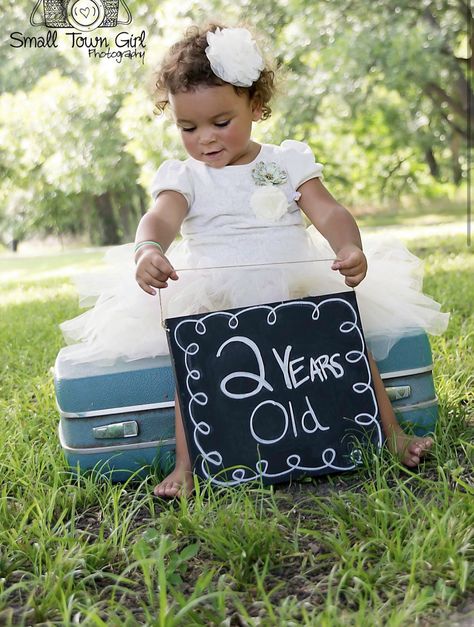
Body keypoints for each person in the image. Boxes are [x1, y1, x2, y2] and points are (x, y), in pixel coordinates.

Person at [61, 24, 449, 498]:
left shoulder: (286, 162)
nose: (205, 138)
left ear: (257, 106)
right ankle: (188, 466)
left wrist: (348, 247)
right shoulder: (186, 177)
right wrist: (148, 248)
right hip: (217, 292)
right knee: (196, 370)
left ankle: (391, 435)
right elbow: (159, 218)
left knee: (346, 344)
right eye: (188, 127)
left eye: (220, 122)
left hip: (293, 285)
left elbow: (327, 210)